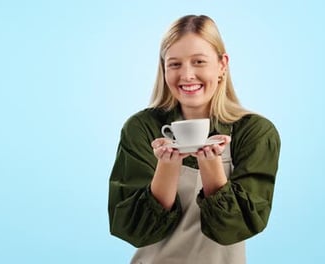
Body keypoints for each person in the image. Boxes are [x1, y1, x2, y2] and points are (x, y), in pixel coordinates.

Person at [108, 14, 281, 264]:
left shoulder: (254, 132)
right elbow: (132, 230)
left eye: (199, 62)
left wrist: (210, 164)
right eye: (175, 64)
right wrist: (168, 166)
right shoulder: (141, 129)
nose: (187, 75)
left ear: (222, 65)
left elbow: (237, 227)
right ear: (163, 68)